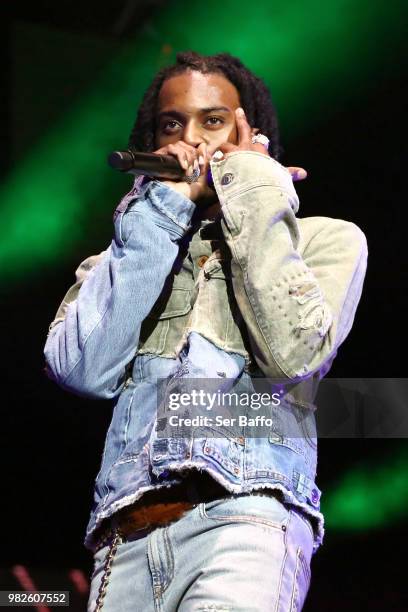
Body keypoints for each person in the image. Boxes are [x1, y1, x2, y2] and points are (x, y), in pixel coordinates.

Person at [44, 51, 368, 611]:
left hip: (245, 521)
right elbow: (79, 369)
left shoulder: (323, 241)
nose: (189, 140)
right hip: (124, 541)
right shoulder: (121, 259)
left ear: (250, 135)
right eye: (172, 124)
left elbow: (295, 357)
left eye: (213, 121)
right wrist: (159, 213)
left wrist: (252, 190)